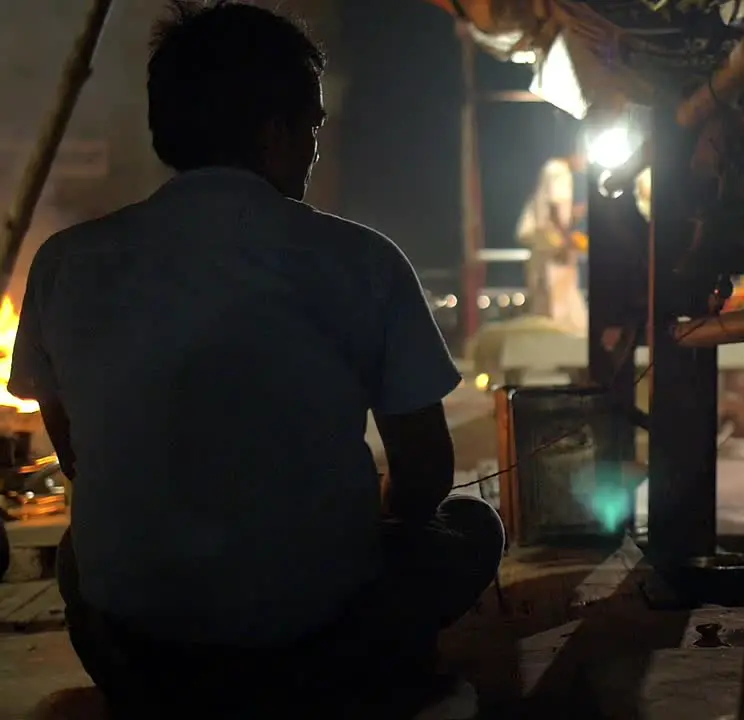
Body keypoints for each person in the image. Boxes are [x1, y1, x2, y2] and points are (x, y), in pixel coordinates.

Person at [9, 3, 503, 718]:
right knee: (473, 525)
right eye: (312, 129)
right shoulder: (363, 261)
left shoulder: (64, 264)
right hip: (316, 639)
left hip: (136, 648)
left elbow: (78, 453)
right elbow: (423, 474)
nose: (315, 150)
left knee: (83, 551)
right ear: (275, 133)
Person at [515, 154, 588, 336]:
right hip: (554, 245)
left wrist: (573, 214)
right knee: (559, 300)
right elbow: (555, 208)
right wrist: (567, 239)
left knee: (544, 299)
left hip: (545, 244)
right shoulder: (559, 172)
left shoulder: (550, 169)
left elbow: (553, 210)